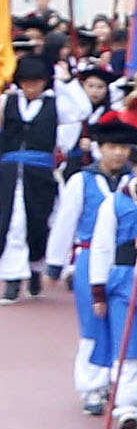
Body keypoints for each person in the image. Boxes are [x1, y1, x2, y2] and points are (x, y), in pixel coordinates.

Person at [63, 115, 137, 424]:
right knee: (94, 325)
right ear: (100, 148)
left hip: (129, 264)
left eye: (124, 148)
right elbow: (66, 221)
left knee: (127, 330)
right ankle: (92, 386)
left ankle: (121, 384)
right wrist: (57, 262)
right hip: (91, 258)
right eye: (113, 147)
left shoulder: (133, 182)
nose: (119, 153)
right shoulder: (83, 180)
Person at [0, 54, 57, 303]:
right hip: (10, 172)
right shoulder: (7, 102)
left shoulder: (56, 103)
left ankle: (35, 269)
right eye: (26, 82)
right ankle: (12, 281)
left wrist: (65, 83)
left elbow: (81, 111)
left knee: (38, 224)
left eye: (36, 82)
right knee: (12, 223)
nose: (31, 87)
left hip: (40, 173)